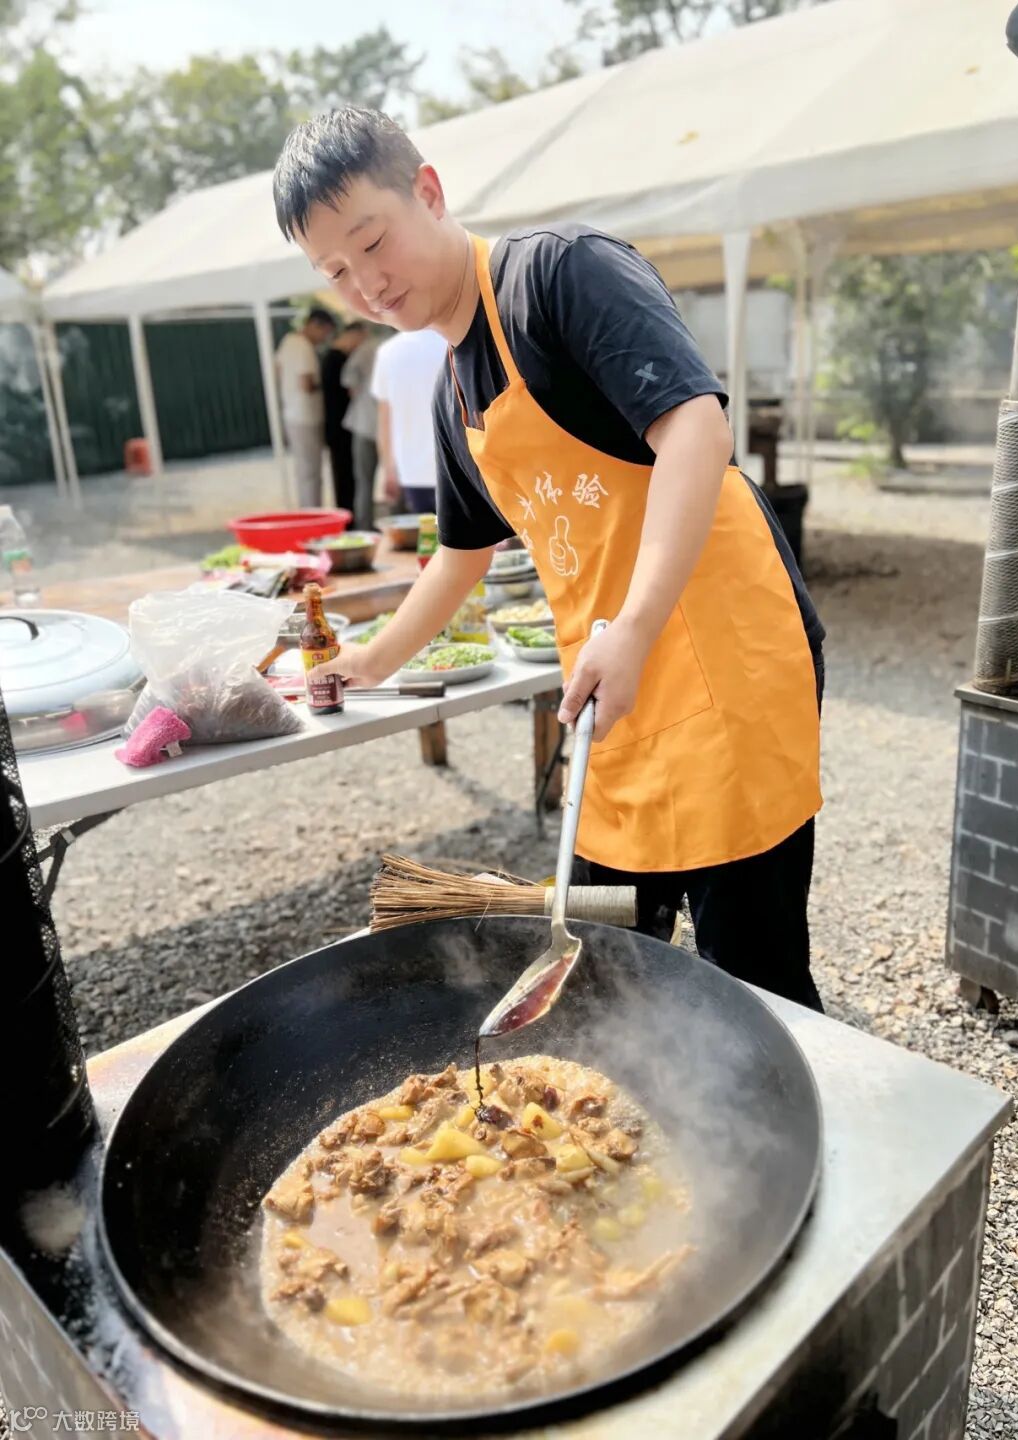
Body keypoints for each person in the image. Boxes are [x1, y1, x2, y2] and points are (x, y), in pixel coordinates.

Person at [273, 108, 826, 1010]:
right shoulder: (453, 392)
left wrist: (636, 625)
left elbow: (696, 428)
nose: (366, 283)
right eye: (334, 272)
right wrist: (369, 660)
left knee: (755, 980)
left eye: (372, 242)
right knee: (611, 972)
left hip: (724, 664)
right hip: (613, 691)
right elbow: (458, 558)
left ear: (428, 191)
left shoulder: (561, 274)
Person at [370, 327, 447, 515]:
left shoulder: (388, 351)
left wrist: (388, 470)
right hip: (459, 467)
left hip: (411, 468)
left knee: (425, 530)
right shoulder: (453, 343)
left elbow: (385, 419)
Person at [276, 307, 336, 507]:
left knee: (303, 470)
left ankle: (308, 510)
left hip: (292, 413)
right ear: (315, 325)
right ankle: (313, 513)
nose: (324, 339)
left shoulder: (288, 341)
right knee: (311, 472)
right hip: (306, 416)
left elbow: (278, 370)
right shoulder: (304, 347)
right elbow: (306, 384)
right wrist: (326, 385)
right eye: (325, 333)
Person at [320, 321, 371, 522]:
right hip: (340, 426)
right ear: (354, 334)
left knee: (346, 474)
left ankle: (348, 516)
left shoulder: (332, 357)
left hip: (339, 425)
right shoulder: (336, 358)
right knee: (344, 475)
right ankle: (347, 518)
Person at [339, 321, 380, 529]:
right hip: (390, 426)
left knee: (364, 481)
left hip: (364, 423)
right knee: (399, 483)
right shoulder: (388, 347)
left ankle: (364, 527)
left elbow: (348, 382)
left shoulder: (365, 349)